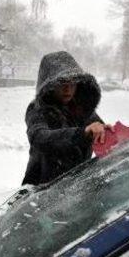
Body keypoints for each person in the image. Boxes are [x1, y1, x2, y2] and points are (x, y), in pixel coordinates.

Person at [22, 51, 110, 186]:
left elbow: (98, 133)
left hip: (74, 190)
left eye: (72, 82)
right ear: (49, 85)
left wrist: (106, 132)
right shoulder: (37, 109)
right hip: (39, 192)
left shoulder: (82, 108)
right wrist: (82, 133)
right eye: (61, 82)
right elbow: (39, 137)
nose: (68, 89)